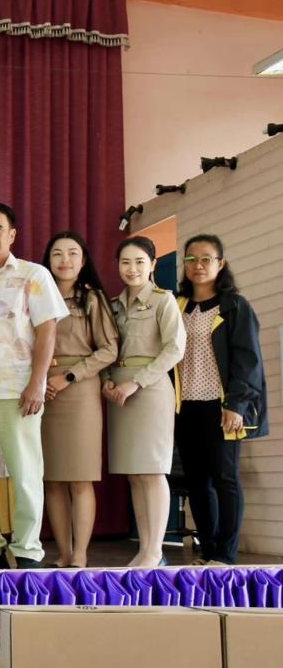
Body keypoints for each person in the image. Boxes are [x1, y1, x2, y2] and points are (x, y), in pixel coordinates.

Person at [0, 202, 68, 569]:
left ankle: (27, 548)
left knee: (25, 474)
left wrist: (37, 383)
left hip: (17, 390)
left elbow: (47, 332)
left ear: (12, 234)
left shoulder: (34, 275)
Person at [175, 234, 267, 565]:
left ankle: (226, 554)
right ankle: (209, 549)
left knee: (225, 478)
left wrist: (236, 405)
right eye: (191, 259)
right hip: (185, 407)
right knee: (197, 483)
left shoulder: (235, 307)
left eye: (206, 259)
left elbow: (248, 360)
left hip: (221, 406)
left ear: (220, 264)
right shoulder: (177, 306)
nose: (198, 266)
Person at [103, 236, 185, 568]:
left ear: (153, 264)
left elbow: (175, 349)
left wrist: (136, 382)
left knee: (152, 471)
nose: (132, 268)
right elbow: (106, 348)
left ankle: (155, 550)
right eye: (125, 262)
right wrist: (107, 379)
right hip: (118, 393)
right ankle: (146, 549)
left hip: (149, 390)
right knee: (134, 474)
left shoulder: (164, 301)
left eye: (139, 262)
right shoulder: (112, 305)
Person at [39, 232, 119, 568]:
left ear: (83, 260)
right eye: (57, 253)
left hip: (80, 390)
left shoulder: (92, 298)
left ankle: (81, 554)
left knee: (80, 477)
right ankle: (64, 552)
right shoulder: (36, 294)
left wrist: (69, 376)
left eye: (73, 253)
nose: (65, 260)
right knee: (53, 479)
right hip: (43, 389)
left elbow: (109, 349)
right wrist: (40, 380)